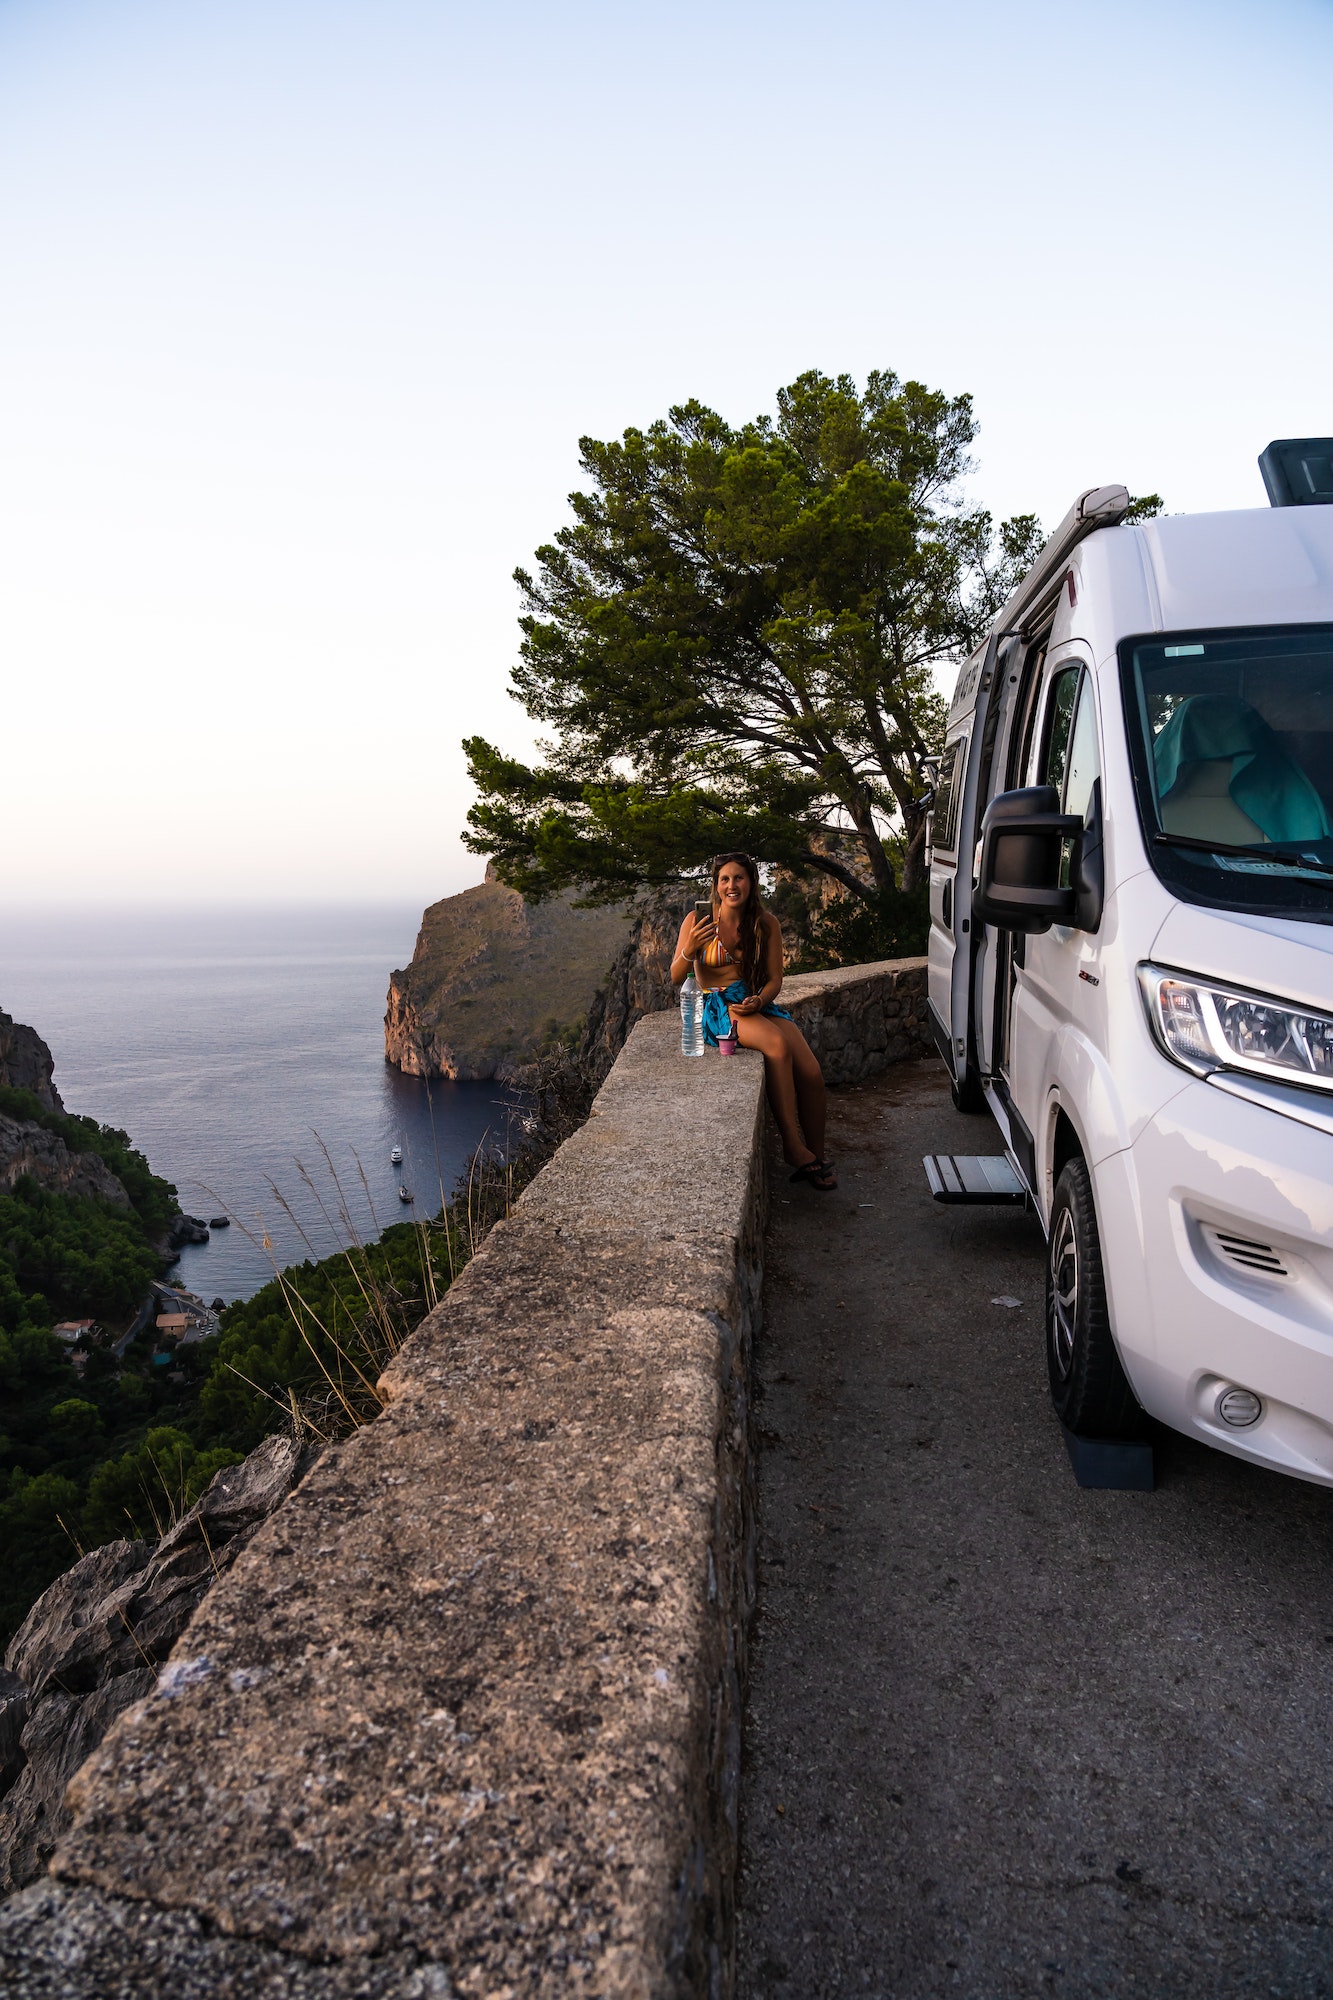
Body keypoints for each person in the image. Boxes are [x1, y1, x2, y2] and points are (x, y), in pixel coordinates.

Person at [670, 852, 836, 1191]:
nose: (732, 885)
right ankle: (792, 1145)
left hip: (754, 1002)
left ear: (751, 882)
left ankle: (814, 1157)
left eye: (739, 878)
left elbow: (775, 979)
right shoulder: (697, 921)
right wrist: (690, 948)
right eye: (725, 879)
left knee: (811, 1073)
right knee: (775, 1044)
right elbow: (675, 976)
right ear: (716, 886)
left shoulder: (765, 923)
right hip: (718, 1005)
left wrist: (759, 999)